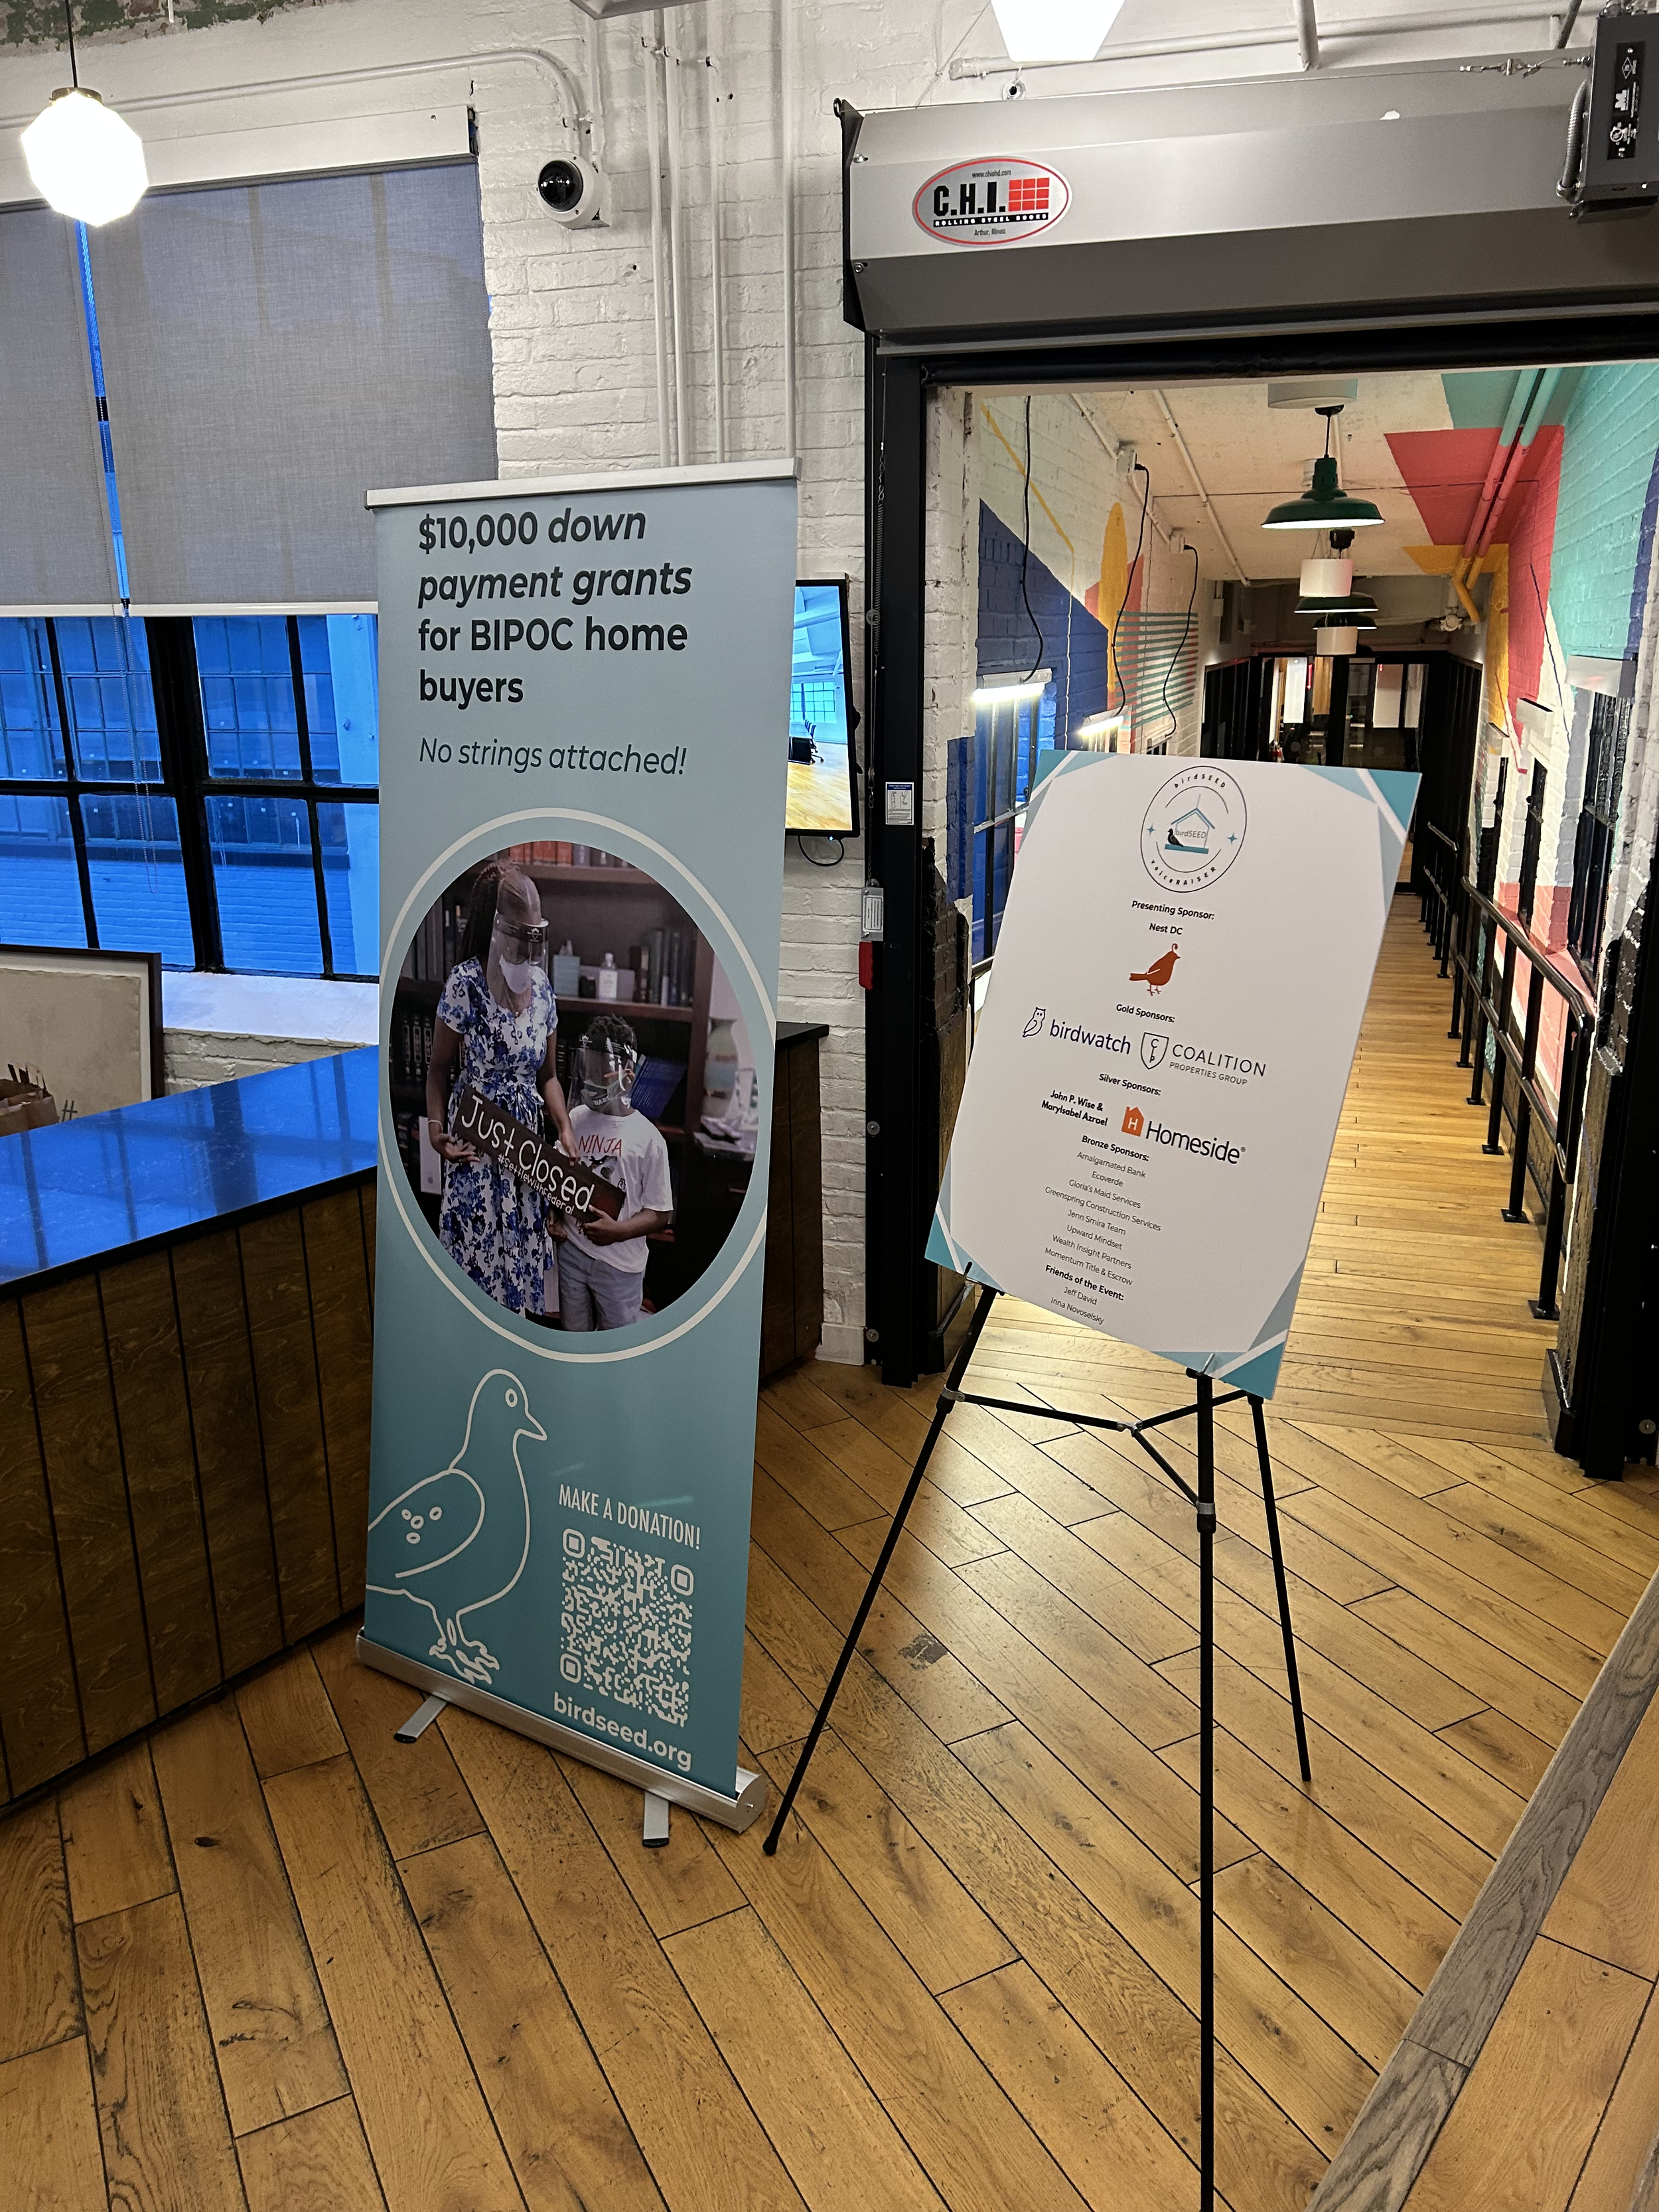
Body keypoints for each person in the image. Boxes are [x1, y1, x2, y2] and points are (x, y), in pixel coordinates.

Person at [425, 861, 577, 1317]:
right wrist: (436, 1134)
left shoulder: (545, 991)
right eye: (518, 935)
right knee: (475, 1280)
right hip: (476, 1146)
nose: (527, 949)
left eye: (535, 937)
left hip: (524, 1154)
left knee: (517, 1289)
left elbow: (547, 1075)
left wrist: (564, 1128)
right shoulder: (465, 985)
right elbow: (437, 1070)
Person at [554, 1013, 674, 1331]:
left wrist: (618, 1232)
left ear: (627, 1077)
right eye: (587, 1071)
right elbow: (555, 1174)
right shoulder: (576, 1119)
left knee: (616, 1339)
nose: (591, 1081)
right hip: (574, 1254)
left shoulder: (649, 1140)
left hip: (621, 1265)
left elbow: (661, 1213)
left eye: (601, 1074)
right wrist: (553, 1217)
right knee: (574, 1336)